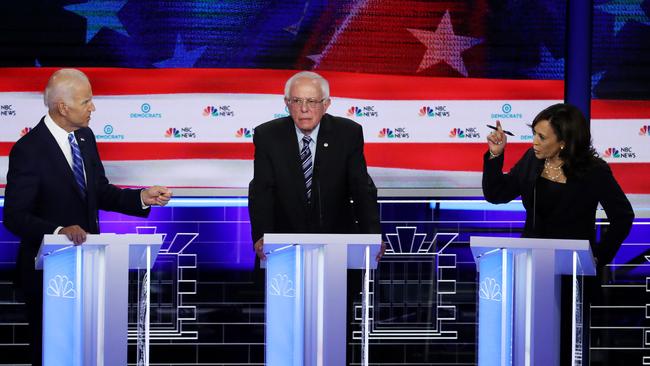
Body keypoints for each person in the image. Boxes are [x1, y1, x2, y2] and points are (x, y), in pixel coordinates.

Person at [3, 68, 173, 366]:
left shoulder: (85, 137)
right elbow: (15, 216)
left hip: (90, 267)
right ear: (62, 107)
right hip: (49, 275)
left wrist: (141, 197)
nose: (93, 108)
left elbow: (99, 191)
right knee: (51, 353)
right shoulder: (28, 150)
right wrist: (58, 230)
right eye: (86, 102)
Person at [483, 102, 634, 364]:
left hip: (572, 277)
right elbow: (497, 194)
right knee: (527, 346)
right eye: (533, 134)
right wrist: (496, 156)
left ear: (563, 141)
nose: (534, 142)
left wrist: (597, 257)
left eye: (542, 137)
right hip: (530, 270)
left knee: (565, 350)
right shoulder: (532, 161)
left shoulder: (593, 171)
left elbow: (622, 217)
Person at [248, 71, 381, 261]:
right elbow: (261, 191)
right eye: (296, 101)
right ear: (287, 103)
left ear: (326, 104)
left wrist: (372, 235)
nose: (304, 109)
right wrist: (262, 236)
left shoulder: (347, 133)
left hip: (336, 241)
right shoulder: (268, 135)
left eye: (312, 101)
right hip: (284, 242)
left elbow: (361, 188)